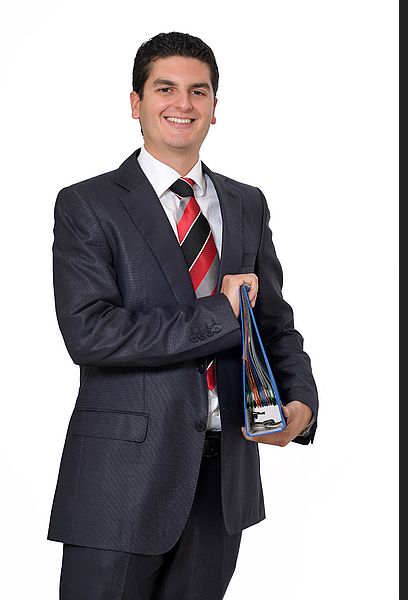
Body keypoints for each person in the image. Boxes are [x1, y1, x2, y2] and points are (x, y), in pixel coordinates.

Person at [47, 31, 318, 600]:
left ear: (215, 107)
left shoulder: (247, 202)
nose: (183, 104)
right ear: (135, 103)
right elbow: (92, 333)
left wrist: (301, 399)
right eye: (165, 88)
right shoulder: (87, 204)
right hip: (121, 478)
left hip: (226, 477)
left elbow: (272, 321)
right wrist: (220, 311)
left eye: (199, 91)